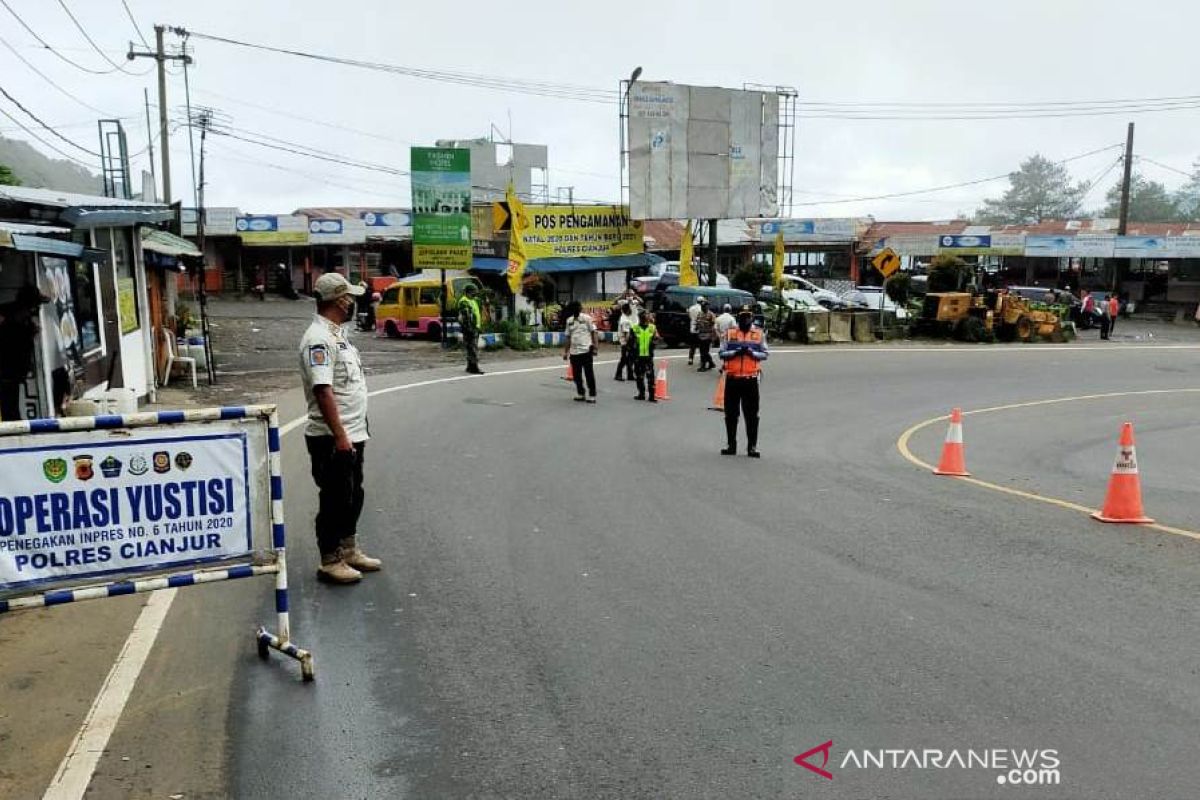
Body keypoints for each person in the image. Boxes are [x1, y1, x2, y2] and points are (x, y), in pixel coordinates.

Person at [298, 273, 382, 584]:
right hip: (332, 437)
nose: (353, 303)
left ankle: (348, 549)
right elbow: (323, 391)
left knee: (352, 495)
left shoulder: (337, 335)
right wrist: (341, 436)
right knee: (334, 498)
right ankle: (330, 559)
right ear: (339, 300)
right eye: (349, 297)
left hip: (353, 431)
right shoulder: (318, 339)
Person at [718, 305, 769, 458]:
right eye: (742, 316)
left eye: (748, 316)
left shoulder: (759, 334)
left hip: (750, 380)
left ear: (752, 317)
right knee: (731, 414)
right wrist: (735, 352)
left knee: (752, 415)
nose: (745, 319)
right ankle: (731, 445)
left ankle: (752, 447)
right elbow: (721, 353)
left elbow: (765, 354)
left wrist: (752, 353)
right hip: (733, 380)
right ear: (738, 317)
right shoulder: (730, 333)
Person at [0, 286, 49, 421]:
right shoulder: (13, 318)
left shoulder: (23, 319)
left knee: (11, 404)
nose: (37, 310)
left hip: (13, 372)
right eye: (36, 305)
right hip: (7, 370)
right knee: (9, 407)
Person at [562, 300, 598, 403]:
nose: (576, 310)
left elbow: (594, 332)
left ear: (580, 308)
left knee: (589, 374)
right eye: (574, 309)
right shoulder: (569, 321)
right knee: (576, 375)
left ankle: (592, 395)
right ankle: (580, 393)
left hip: (586, 350)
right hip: (574, 352)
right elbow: (568, 337)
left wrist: (595, 347)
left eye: (578, 308)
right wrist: (566, 352)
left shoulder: (587, 318)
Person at [630, 309, 658, 402]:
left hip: (648, 356)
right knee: (640, 376)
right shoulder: (635, 328)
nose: (648, 316)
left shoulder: (652, 327)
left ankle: (651, 396)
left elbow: (656, 339)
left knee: (650, 376)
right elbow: (630, 343)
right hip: (638, 357)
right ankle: (642, 394)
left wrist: (653, 344)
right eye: (647, 315)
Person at [458, 284, 484, 374]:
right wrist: (470, 329)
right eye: (473, 292)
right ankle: (474, 367)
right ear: (468, 292)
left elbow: (476, 314)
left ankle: (470, 366)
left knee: (471, 348)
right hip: (469, 329)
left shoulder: (473, 301)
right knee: (473, 348)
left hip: (475, 328)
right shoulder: (464, 302)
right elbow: (466, 318)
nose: (475, 294)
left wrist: (479, 327)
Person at [613, 301, 636, 381]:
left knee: (630, 359)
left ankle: (630, 375)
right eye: (630, 309)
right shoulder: (625, 320)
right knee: (624, 359)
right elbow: (627, 334)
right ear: (627, 310)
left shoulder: (625, 318)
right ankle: (618, 374)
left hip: (626, 342)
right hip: (626, 342)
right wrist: (627, 344)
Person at [695, 299, 718, 371]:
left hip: (708, 335)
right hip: (700, 335)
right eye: (702, 306)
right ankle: (711, 363)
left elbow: (714, 325)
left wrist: (714, 336)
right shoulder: (699, 313)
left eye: (704, 306)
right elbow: (697, 322)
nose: (703, 307)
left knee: (704, 351)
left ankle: (703, 366)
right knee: (703, 351)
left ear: (707, 306)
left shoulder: (711, 314)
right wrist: (697, 328)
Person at [687, 296, 705, 365]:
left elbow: (689, 316)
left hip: (692, 328)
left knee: (692, 346)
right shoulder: (702, 309)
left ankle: (690, 359)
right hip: (700, 329)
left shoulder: (691, 308)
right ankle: (701, 360)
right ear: (702, 301)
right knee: (701, 346)